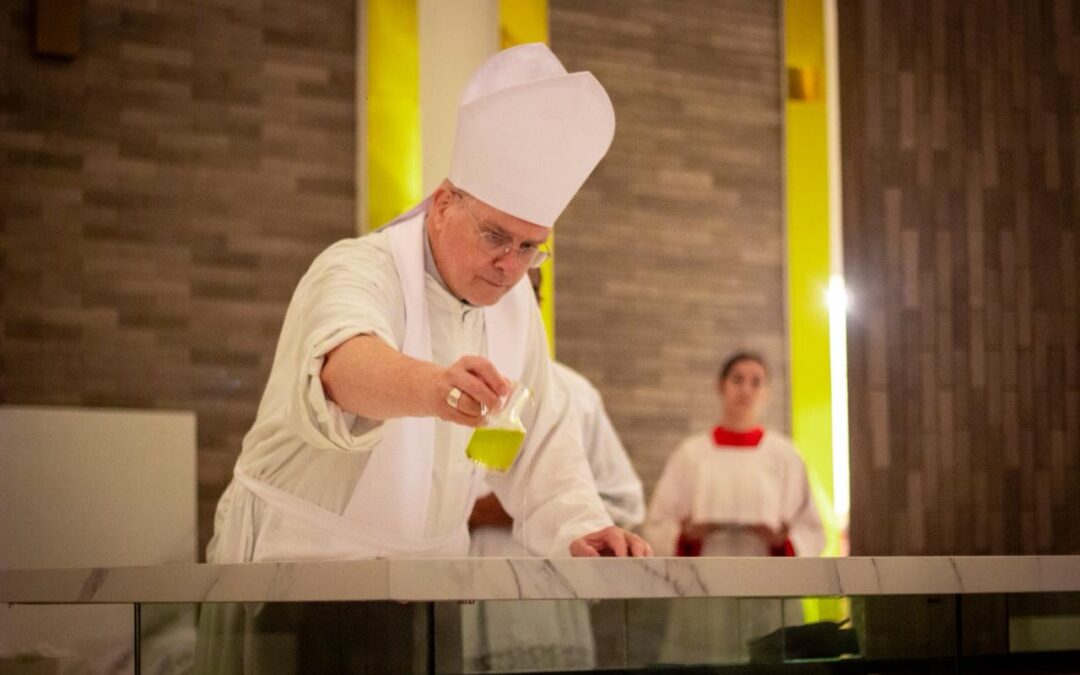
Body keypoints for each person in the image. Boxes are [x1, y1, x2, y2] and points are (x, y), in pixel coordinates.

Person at [196, 43, 649, 674]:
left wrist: (581, 527)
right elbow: (341, 367)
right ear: (442, 204)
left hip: (431, 591)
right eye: (495, 236)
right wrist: (434, 388)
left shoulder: (518, 310)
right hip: (300, 580)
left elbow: (542, 443)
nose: (510, 265)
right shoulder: (360, 265)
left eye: (530, 248)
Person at [461, 268, 646, 671]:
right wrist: (465, 511)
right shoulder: (453, 386)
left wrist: (533, 507)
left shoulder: (574, 393)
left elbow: (624, 500)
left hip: (549, 593)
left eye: (526, 294)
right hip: (469, 587)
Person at [644, 352, 824, 663]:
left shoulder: (784, 455)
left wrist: (782, 541)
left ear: (766, 392)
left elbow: (811, 528)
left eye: (756, 382)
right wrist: (688, 536)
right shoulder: (691, 454)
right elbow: (657, 523)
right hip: (705, 590)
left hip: (768, 591)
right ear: (720, 386)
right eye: (737, 379)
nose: (746, 390)